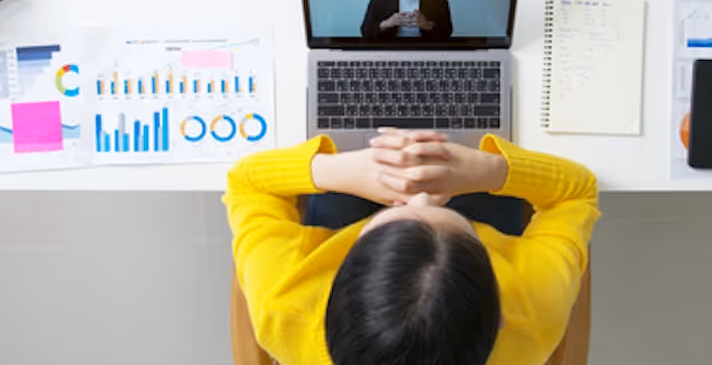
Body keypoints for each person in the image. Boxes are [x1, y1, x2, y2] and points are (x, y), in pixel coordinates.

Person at [223, 128, 600, 365]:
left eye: (396, 216)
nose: (417, 198)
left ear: (336, 279)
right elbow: (577, 193)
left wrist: (340, 170)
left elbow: (246, 183)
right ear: (502, 313)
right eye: (459, 225)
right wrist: (487, 171)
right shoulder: (533, 315)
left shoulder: (284, 304)